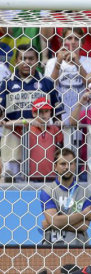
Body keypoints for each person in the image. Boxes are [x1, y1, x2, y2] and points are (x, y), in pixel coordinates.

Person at [0, 44, 62, 182]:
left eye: (30, 58)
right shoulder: (7, 83)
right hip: (13, 137)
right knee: (12, 180)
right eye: (22, 58)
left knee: (39, 179)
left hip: (41, 138)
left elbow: (58, 114)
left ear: (37, 61)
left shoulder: (46, 83)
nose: (27, 62)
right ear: (16, 61)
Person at [40, 148, 91, 246]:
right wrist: (83, 214)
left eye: (70, 164)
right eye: (63, 164)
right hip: (51, 247)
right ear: (55, 167)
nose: (67, 167)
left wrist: (52, 224)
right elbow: (54, 221)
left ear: (75, 166)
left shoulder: (86, 193)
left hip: (78, 247)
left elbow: (83, 226)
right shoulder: (47, 191)